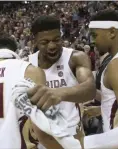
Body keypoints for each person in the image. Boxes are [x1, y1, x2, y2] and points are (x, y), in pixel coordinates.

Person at [27, 15, 96, 148]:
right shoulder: (27, 64)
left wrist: (59, 94)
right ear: (35, 41)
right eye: (45, 42)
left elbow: (90, 89)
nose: (52, 46)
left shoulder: (75, 57)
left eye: (56, 40)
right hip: (42, 138)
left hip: (71, 135)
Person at [84, 9, 118, 148]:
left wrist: (82, 144)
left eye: (94, 35)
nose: (92, 41)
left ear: (112, 32)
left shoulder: (117, 64)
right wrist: (102, 109)